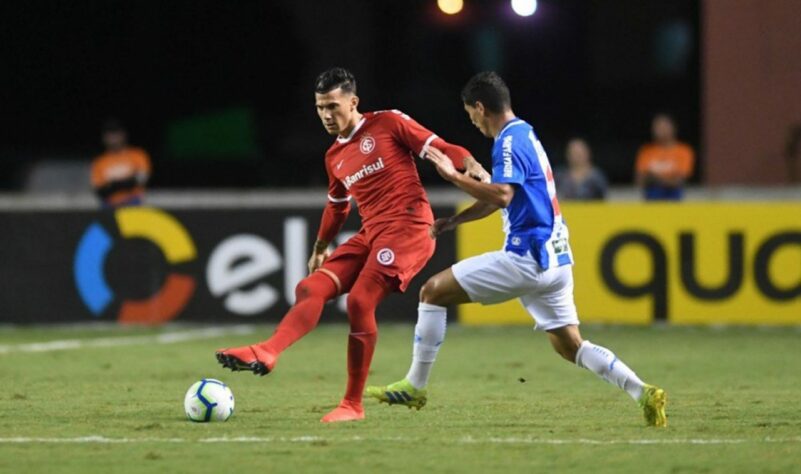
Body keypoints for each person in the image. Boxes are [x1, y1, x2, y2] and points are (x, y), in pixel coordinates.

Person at [366, 72, 668, 427]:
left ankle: (415, 386)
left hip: (527, 257)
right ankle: (643, 391)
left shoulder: (507, 142)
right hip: (555, 260)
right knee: (571, 346)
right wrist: (457, 221)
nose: (473, 122)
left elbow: (503, 194)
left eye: (470, 115)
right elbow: (503, 198)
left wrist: (453, 176)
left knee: (431, 292)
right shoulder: (525, 133)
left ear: (480, 107)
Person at [215, 67, 490, 423]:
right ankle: (267, 351)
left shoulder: (388, 123)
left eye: (333, 105)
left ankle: (352, 405)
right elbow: (337, 206)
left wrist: (468, 163)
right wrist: (319, 248)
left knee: (360, 300)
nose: (327, 115)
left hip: (410, 227)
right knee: (310, 287)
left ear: (353, 101)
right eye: (320, 108)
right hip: (372, 233)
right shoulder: (334, 156)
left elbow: (441, 147)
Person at [90, 119, 151, 207]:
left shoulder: (138, 155)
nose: (113, 137)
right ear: (104, 138)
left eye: (116, 133)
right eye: (109, 134)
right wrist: (125, 183)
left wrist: (114, 185)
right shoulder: (99, 162)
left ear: (123, 135)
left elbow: (141, 179)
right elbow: (100, 190)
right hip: (109, 205)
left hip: (134, 202)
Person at [635, 114, 694, 201]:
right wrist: (668, 178)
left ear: (673, 128)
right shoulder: (646, 151)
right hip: (651, 196)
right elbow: (639, 180)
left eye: (664, 127)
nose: (660, 130)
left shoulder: (683, 151)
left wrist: (654, 177)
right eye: (657, 127)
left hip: (674, 197)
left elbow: (679, 181)